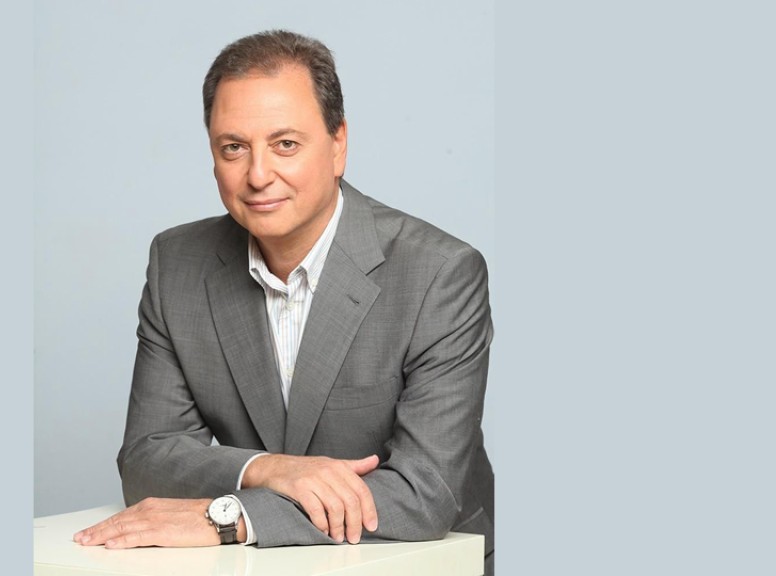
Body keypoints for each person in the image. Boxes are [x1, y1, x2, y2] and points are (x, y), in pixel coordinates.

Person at [74, 29, 495, 573]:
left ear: (338, 145)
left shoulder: (439, 273)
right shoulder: (177, 264)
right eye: (233, 147)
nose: (257, 175)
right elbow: (147, 459)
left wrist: (229, 517)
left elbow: (424, 493)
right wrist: (267, 469)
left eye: (286, 144)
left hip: (423, 561)